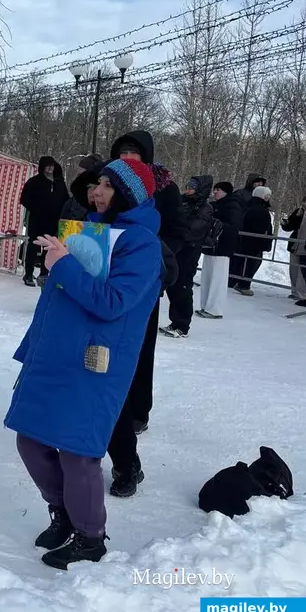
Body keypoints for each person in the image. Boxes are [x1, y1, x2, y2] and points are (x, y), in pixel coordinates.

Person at [5, 158, 162, 569]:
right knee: (31, 440)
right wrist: (33, 344)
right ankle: (65, 514)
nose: (97, 191)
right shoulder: (91, 230)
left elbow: (111, 303)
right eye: (96, 183)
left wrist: (64, 264)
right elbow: (60, 296)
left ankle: (90, 538)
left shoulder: (141, 243)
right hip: (53, 354)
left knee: (77, 452)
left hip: (95, 361)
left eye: (108, 185)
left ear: (128, 194)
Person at [104, 130, 182, 498]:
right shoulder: (102, 195)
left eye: (135, 153)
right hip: (101, 294)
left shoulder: (163, 190)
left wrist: (155, 259)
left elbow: (176, 233)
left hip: (140, 286)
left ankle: (137, 417)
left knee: (132, 359)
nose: (128, 157)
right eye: (122, 152)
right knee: (99, 375)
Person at [160, 176, 214, 338]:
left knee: (183, 286)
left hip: (189, 251)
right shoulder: (182, 202)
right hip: (176, 248)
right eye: (187, 185)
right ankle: (175, 321)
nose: (188, 189)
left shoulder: (204, 208)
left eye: (192, 187)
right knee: (173, 285)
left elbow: (194, 229)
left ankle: (182, 324)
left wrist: (178, 228)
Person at [20, 156, 69, 287]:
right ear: (42, 167)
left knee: (49, 247)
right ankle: (28, 274)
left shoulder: (59, 183)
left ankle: (44, 273)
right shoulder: (34, 182)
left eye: (52, 165)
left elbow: (66, 199)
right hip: (37, 220)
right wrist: (37, 208)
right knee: (33, 246)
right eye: (47, 165)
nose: (50, 168)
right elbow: (24, 199)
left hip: (53, 221)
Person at [198, 182, 242, 319]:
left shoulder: (233, 206)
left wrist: (219, 225)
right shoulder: (214, 205)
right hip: (210, 245)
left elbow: (234, 226)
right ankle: (205, 305)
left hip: (222, 247)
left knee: (218, 278)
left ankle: (215, 309)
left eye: (219, 190)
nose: (215, 192)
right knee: (207, 276)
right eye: (215, 189)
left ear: (226, 192)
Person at [232, 187, 273, 296]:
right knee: (252, 262)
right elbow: (262, 227)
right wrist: (266, 238)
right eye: (268, 195)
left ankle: (241, 281)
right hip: (255, 242)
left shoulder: (249, 206)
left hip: (248, 240)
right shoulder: (260, 209)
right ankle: (244, 284)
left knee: (246, 261)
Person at [281, 194, 306, 301]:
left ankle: (302, 294)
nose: (305, 204)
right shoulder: (298, 212)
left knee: (302, 271)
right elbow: (290, 226)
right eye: (304, 201)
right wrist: (285, 224)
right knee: (293, 269)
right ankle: (294, 291)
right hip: (295, 244)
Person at [59, 155, 102, 223]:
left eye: (82, 175)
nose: (78, 178)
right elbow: (62, 229)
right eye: (78, 175)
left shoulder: (106, 204)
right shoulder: (71, 203)